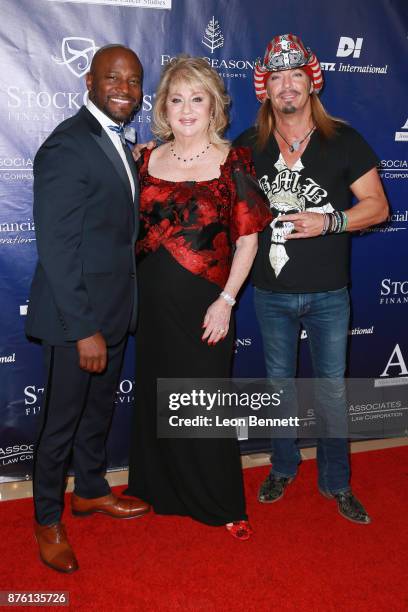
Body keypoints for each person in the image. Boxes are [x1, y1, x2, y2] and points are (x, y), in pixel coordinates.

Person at [234, 34, 388, 524]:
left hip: (328, 294)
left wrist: (330, 220)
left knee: (332, 391)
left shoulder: (343, 139)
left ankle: (337, 481)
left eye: (294, 75)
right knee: (280, 388)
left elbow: (378, 207)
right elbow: (200, 170)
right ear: (265, 87)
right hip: (271, 292)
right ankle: (282, 465)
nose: (286, 86)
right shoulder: (247, 145)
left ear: (310, 82)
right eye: (276, 76)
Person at [125, 56, 271, 540]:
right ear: (165, 108)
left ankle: (221, 501)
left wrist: (226, 300)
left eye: (197, 98)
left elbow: (248, 240)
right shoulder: (145, 159)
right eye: (177, 98)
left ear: (214, 107)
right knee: (156, 392)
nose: (186, 108)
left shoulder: (235, 162)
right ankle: (159, 489)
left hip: (206, 303)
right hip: (151, 303)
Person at [26, 45, 149, 573]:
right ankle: (47, 518)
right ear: (90, 81)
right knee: (60, 426)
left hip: (115, 310)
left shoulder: (114, 141)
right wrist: (84, 330)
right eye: (112, 77)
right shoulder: (67, 145)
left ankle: (91, 490)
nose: (124, 87)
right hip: (77, 321)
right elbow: (56, 248)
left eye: (134, 79)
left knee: (98, 414)